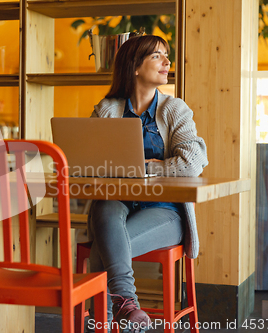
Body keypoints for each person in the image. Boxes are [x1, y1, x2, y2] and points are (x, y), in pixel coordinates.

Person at [86, 34, 208, 332]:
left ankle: (108, 314)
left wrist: (153, 169)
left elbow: (193, 163)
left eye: (167, 55)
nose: (167, 62)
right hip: (117, 205)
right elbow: (88, 163)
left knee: (103, 249)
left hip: (166, 211)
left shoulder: (174, 109)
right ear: (135, 66)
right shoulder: (107, 110)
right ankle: (127, 305)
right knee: (104, 208)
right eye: (157, 56)